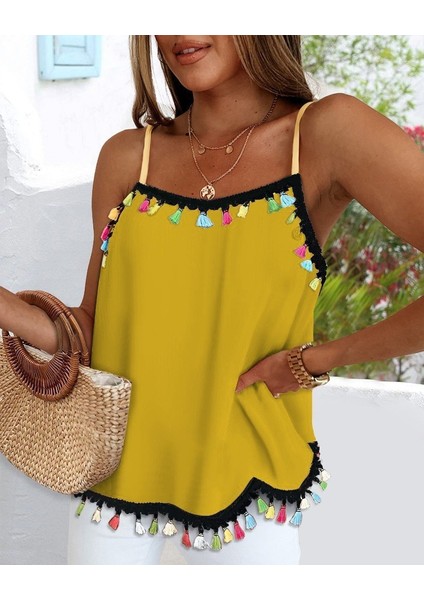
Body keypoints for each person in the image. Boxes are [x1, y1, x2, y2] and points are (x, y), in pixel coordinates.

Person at [1, 35, 424, 565]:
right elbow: (93, 331)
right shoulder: (129, 156)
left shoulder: (324, 134)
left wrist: (318, 359)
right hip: (114, 484)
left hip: (251, 492)